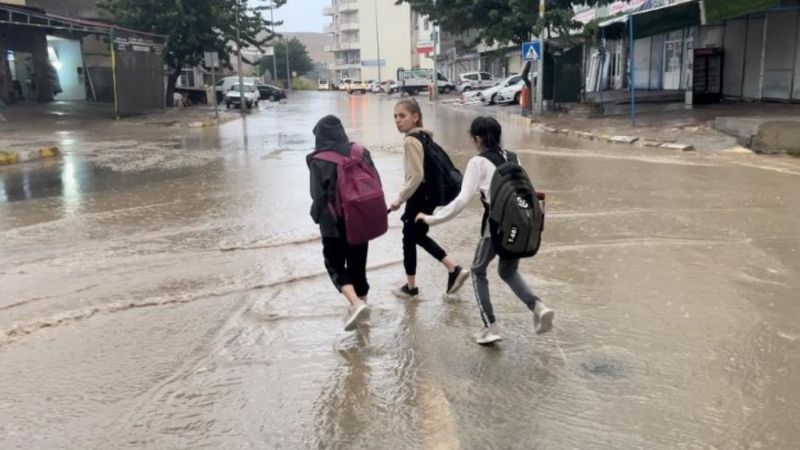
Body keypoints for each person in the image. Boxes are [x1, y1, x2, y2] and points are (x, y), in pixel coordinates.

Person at [416, 116, 554, 345]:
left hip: (496, 224)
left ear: (477, 138)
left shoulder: (477, 163)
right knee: (508, 272)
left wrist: (432, 219)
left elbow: (461, 201)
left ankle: (490, 326)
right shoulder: (513, 157)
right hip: (519, 223)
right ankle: (538, 307)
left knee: (478, 269)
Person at [389, 98, 469, 298]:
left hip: (419, 197)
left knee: (411, 237)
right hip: (429, 196)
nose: (398, 120)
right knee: (414, 236)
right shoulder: (425, 137)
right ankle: (419, 282)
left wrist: (399, 199)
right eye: (395, 116)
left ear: (415, 117)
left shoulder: (410, 140)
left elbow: (416, 176)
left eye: (402, 116)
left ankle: (441, 274)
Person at [308, 115, 374, 331]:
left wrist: (317, 217)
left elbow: (317, 197)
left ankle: (355, 304)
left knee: (334, 264)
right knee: (358, 267)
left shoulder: (318, 160)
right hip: (360, 218)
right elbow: (374, 182)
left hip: (334, 224)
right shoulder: (361, 152)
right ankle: (363, 310)